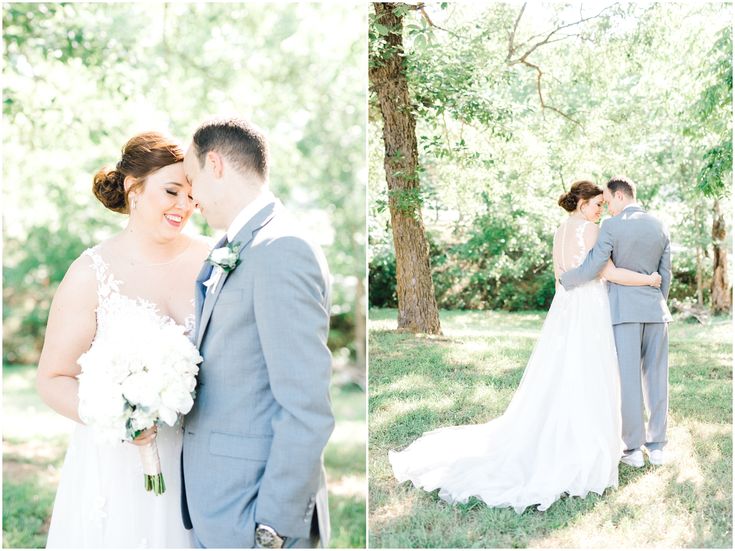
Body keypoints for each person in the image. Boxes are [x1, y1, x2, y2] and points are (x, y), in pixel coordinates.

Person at [389, 180, 661, 514]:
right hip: (589, 307)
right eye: (596, 205)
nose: (601, 211)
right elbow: (606, 271)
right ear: (582, 204)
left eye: (603, 206)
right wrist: (648, 279)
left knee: (562, 370)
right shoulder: (590, 231)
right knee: (589, 370)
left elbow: (560, 276)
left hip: (564, 307)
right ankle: (583, 443)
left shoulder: (560, 231)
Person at [37, 132, 210, 548]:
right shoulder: (90, 272)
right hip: (116, 464)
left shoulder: (212, 260)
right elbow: (53, 378)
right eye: (172, 191)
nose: (184, 207)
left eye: (193, 197)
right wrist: (117, 418)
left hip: (199, 458)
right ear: (134, 188)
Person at [180, 117, 335, 548]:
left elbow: (306, 406)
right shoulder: (242, 245)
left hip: (254, 516)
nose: (191, 197)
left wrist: (273, 528)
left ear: (216, 165)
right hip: (220, 507)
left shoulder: (281, 249)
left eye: (191, 180)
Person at [560, 176, 672, 468]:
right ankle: (658, 446)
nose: (607, 208)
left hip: (624, 313)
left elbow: (596, 265)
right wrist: (657, 300)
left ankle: (633, 449)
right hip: (656, 312)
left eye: (608, 202)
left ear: (620, 196)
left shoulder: (611, 226)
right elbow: (665, 273)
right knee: (658, 377)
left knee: (629, 381)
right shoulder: (659, 224)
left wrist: (567, 280)